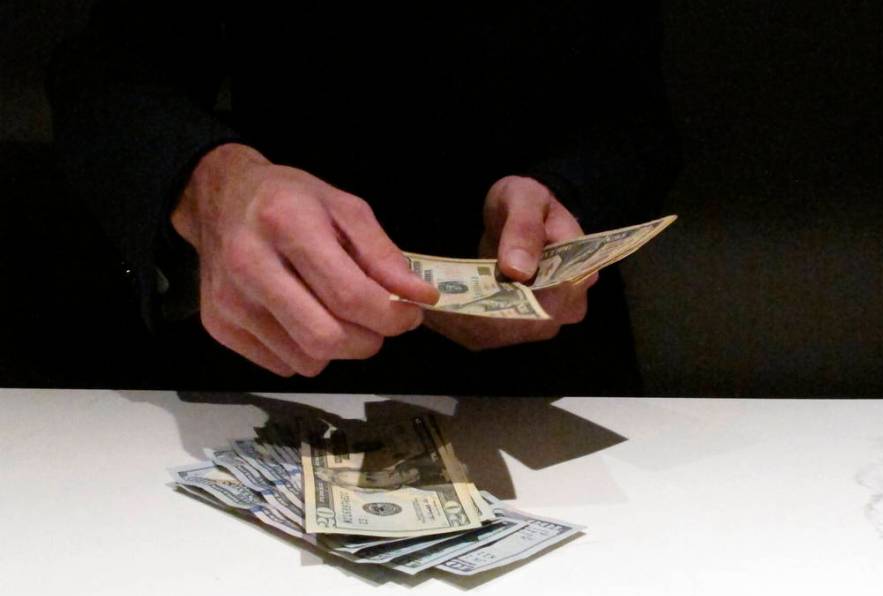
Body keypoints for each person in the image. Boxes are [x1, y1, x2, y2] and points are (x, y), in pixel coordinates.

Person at [48, 2, 679, 395]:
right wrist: (214, 184)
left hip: (550, 378)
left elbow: (637, 118)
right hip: (273, 345)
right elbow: (107, 72)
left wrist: (564, 196)